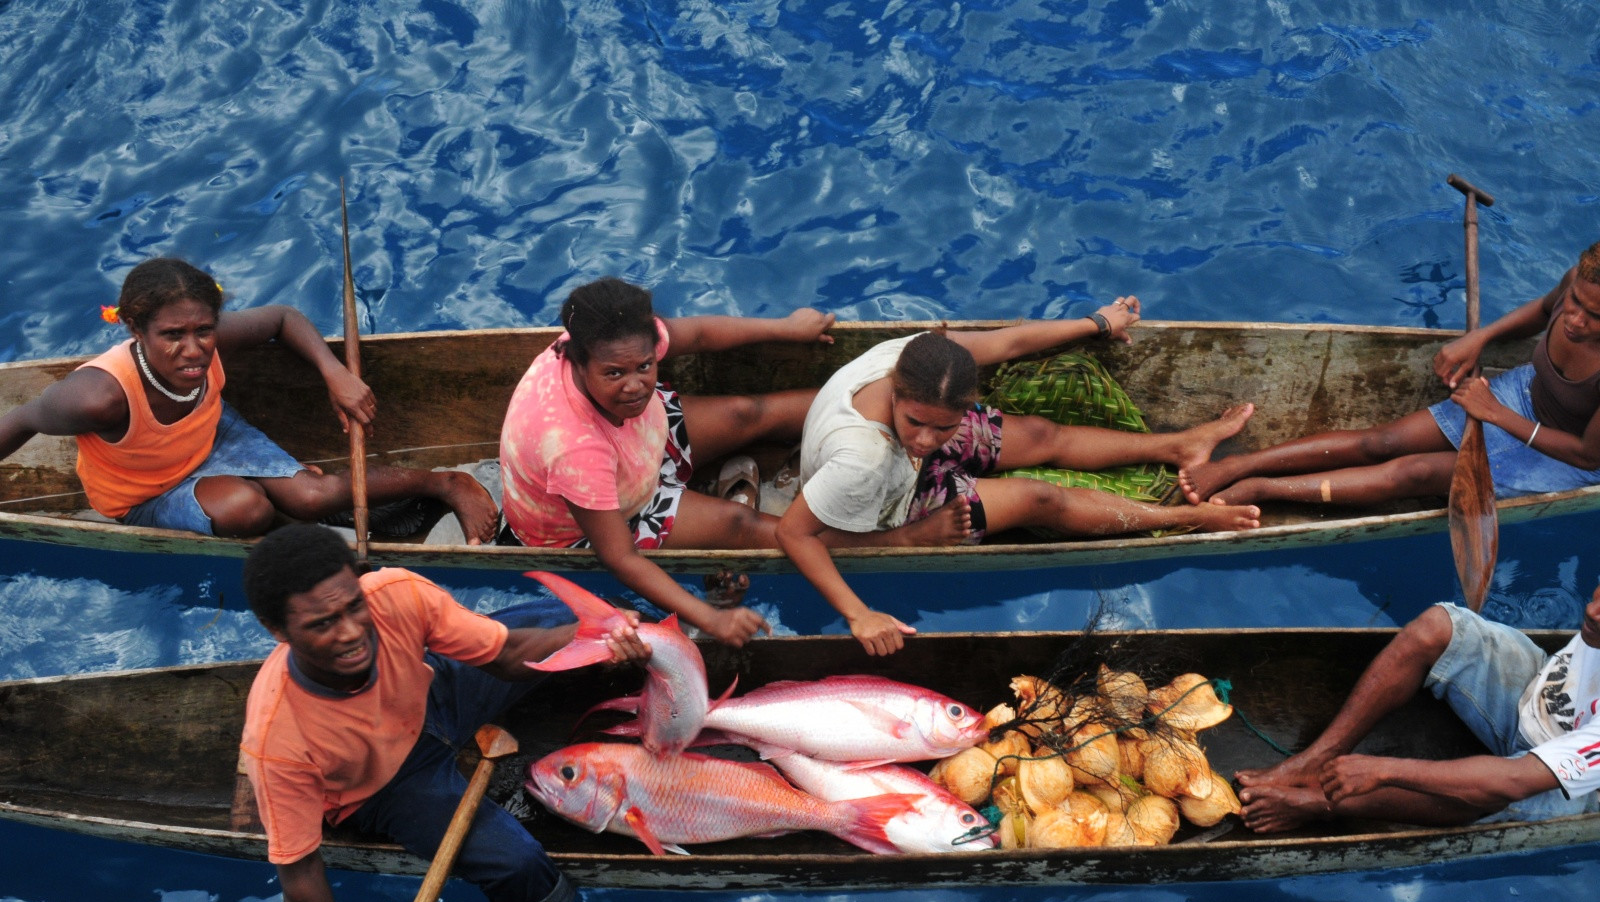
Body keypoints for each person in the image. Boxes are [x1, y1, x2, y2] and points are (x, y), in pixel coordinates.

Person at [239, 524, 679, 902]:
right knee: (516, 862)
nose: (353, 632)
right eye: (322, 625)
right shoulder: (278, 741)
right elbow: (301, 876)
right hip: (387, 784)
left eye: (354, 607)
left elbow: (506, 654)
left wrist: (604, 642)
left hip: (433, 695)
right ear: (275, 630)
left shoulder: (395, 593)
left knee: (571, 624)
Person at [775, 297, 1263, 656]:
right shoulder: (861, 461)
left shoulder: (917, 360)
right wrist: (860, 610)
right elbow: (794, 533)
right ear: (897, 395)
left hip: (902, 465)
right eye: (915, 423)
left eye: (944, 427)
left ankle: (1178, 445)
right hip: (889, 503)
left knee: (1041, 434)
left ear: (964, 404)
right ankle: (1184, 519)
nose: (926, 439)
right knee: (1039, 498)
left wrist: (1095, 324)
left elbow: (1007, 341)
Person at [498, 276, 965, 646]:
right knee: (738, 523)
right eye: (614, 374)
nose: (635, 384)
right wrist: (710, 619)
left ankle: (870, 426)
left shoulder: (617, 344)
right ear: (576, 361)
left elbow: (697, 333)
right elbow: (618, 557)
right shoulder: (571, 445)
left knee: (749, 411)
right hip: (601, 516)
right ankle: (896, 539)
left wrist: (786, 328)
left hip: (639, 441)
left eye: (645, 366)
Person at [0, 257, 499, 542]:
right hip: (145, 496)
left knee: (312, 496)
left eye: (205, 330)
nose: (193, 350)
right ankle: (299, 525)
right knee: (246, 510)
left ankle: (442, 482)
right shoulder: (96, 397)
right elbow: (21, 419)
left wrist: (334, 373)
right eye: (173, 334)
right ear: (135, 328)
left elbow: (282, 318)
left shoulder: (207, 340)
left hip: (212, 434)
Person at [1179, 241, 1600, 509]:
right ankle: (1239, 464)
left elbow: (1587, 454)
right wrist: (1480, 338)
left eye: (1592, 315)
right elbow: (1544, 311)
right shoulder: (1574, 285)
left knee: (1413, 473)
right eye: (1575, 302)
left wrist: (1494, 413)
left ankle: (1263, 489)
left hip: (1563, 455)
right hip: (1522, 398)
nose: (1574, 320)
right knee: (1383, 441)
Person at [1237, 585, 1600, 833]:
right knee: (1438, 626)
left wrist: (1385, 770)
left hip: (1564, 785)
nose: (1592, 611)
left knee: (1487, 792)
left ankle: (1318, 803)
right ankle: (1318, 757)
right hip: (1541, 692)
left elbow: (1515, 779)